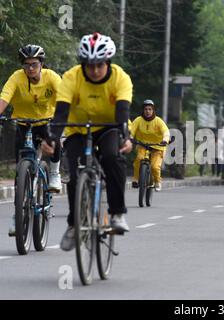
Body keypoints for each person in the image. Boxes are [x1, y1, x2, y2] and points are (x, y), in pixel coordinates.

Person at [42, 32, 133, 251]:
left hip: (110, 126)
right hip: (78, 128)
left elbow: (122, 112)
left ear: (107, 62)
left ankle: (117, 214)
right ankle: (74, 225)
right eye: (89, 65)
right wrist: (53, 138)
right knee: (75, 175)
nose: (94, 70)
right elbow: (61, 113)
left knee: (112, 157)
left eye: (99, 65)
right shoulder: (71, 77)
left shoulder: (120, 78)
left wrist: (126, 137)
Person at [0, 44, 62, 237]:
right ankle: (18, 215)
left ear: (41, 64)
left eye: (34, 64)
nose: (30, 69)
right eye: (26, 65)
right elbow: (4, 98)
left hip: (46, 121)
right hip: (23, 122)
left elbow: (64, 100)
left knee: (54, 143)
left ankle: (54, 172)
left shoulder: (52, 77)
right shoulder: (17, 77)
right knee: (21, 169)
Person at [130, 99, 170, 192]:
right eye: (146, 109)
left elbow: (166, 132)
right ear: (143, 110)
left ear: (153, 110)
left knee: (155, 166)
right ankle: (135, 179)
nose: (147, 111)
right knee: (139, 159)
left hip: (158, 146)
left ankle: (157, 182)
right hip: (142, 145)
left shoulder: (158, 121)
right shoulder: (138, 120)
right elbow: (131, 131)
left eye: (150, 109)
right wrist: (131, 137)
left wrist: (165, 140)